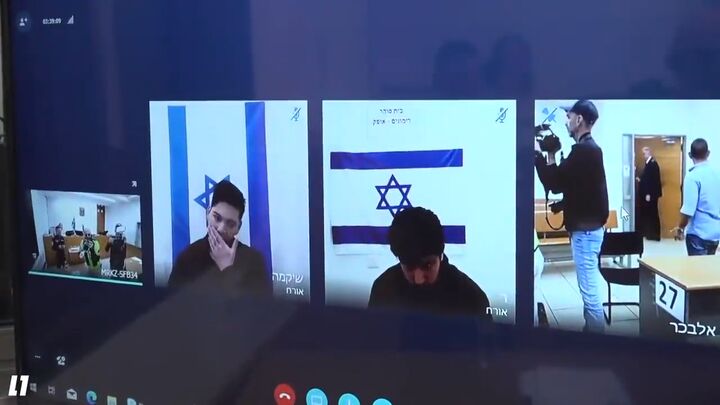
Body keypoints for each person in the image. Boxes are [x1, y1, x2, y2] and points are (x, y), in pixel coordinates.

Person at [534, 99, 609, 333]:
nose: (566, 122)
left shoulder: (583, 151)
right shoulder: (590, 150)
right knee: (590, 288)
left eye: (569, 117)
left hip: (586, 233)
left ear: (579, 120)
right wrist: (564, 204)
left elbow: (554, 183)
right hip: (590, 229)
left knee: (590, 293)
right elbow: (585, 189)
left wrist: (543, 155)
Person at [367, 207, 492, 319]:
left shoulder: (471, 298)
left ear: (440, 256)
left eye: (427, 266)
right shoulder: (383, 289)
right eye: (409, 267)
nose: (419, 279)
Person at [168, 180, 272, 296]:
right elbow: (171, 304)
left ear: (238, 227)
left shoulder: (253, 262)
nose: (221, 228)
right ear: (208, 213)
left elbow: (260, 306)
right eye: (217, 218)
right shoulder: (187, 258)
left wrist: (227, 268)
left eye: (230, 224)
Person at [672, 139, 720, 255]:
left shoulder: (692, 177)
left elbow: (688, 210)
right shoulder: (717, 174)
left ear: (689, 155)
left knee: (698, 267)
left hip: (698, 235)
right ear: (708, 153)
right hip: (715, 233)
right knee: (710, 266)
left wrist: (680, 228)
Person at [637, 147, 663, 241]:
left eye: (644, 153)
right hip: (649, 194)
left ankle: (655, 235)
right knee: (649, 214)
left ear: (649, 153)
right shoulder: (648, 163)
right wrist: (641, 180)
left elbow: (653, 181)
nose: (643, 155)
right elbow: (647, 178)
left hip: (651, 195)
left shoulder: (653, 164)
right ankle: (650, 233)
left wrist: (648, 193)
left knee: (653, 214)